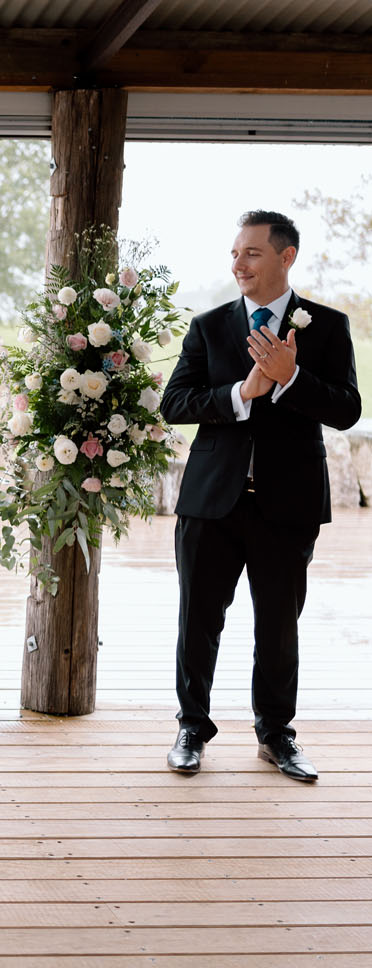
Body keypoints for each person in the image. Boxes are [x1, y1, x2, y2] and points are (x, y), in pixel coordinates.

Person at [160, 210, 361, 781]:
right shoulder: (208, 326)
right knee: (197, 619)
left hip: (288, 504)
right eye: (234, 253)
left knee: (278, 624)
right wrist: (242, 391)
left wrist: (292, 378)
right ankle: (191, 729)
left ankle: (276, 734)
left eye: (251, 253)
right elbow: (176, 404)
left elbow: (347, 409)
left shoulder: (326, 326)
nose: (238, 263)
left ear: (285, 256)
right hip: (210, 502)